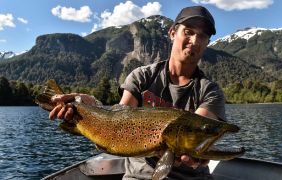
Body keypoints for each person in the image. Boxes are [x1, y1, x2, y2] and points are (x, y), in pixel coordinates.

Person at [49, 5, 226, 180]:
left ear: (207, 43)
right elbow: (117, 120)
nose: (194, 41)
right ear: (172, 33)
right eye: (188, 32)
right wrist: (90, 105)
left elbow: (200, 128)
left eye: (202, 36)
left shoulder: (210, 92)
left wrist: (197, 154)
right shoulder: (142, 77)